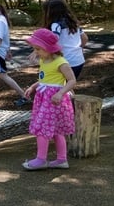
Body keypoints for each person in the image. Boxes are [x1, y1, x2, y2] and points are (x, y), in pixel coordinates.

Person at [22, 28, 76, 171]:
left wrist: (61, 93)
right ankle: (61, 159)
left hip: (53, 100)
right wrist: (33, 87)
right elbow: (44, 79)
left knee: (42, 128)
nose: (36, 52)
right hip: (44, 98)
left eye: (38, 49)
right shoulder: (44, 60)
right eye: (35, 49)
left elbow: (72, 81)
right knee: (54, 130)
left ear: (49, 48)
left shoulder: (61, 62)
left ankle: (41, 159)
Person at [0, 0, 30, 106]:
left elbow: (0, 39)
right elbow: (5, 37)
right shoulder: (0, 20)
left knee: (2, 75)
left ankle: (24, 95)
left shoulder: (0, 21)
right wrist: (8, 50)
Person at [41, 0, 88, 79]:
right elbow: (85, 38)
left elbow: (53, 39)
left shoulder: (56, 25)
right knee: (69, 84)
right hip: (78, 60)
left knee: (59, 84)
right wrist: (78, 49)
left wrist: (40, 50)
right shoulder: (74, 23)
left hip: (64, 61)